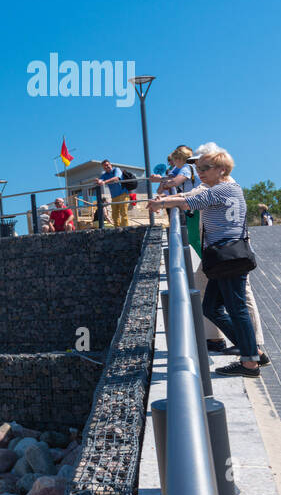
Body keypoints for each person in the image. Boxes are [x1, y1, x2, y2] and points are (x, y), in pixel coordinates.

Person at [149, 147, 260, 377]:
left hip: (227, 256)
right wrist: (167, 199)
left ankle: (250, 361)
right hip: (224, 258)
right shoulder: (230, 187)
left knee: (237, 309)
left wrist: (162, 203)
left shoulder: (220, 190)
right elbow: (190, 196)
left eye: (205, 168)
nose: (199, 172)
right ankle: (253, 349)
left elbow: (190, 201)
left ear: (221, 169)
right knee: (210, 308)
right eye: (198, 169)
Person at [96, 159, 127, 227]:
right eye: (104, 166)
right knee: (114, 215)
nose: (106, 167)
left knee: (123, 213)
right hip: (114, 196)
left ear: (111, 165)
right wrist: (98, 181)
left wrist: (105, 182)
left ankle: (125, 228)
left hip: (122, 194)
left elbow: (116, 178)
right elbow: (100, 180)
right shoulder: (104, 175)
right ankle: (117, 229)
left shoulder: (116, 169)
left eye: (107, 165)